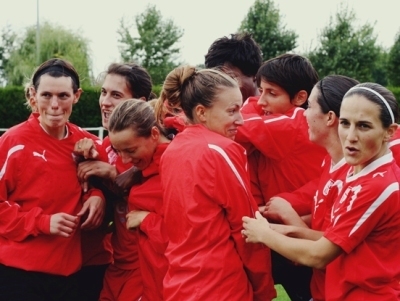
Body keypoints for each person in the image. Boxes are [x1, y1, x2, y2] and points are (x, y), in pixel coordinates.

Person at [243, 82, 400, 301]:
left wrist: (265, 234)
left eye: (364, 126)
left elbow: (319, 256)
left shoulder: (376, 185)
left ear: (389, 132)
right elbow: (334, 237)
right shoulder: (360, 173)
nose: (350, 136)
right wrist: (276, 228)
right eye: (345, 123)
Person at [160, 65, 276, 301]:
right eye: (232, 111)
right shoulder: (221, 149)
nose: (241, 120)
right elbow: (247, 229)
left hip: (179, 283)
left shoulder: (172, 151)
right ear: (202, 112)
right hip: (220, 286)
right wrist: (263, 288)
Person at [0, 58, 105, 300]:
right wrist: (42, 223)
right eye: (46, 95)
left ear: (76, 96)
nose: (55, 105)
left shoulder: (88, 144)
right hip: (17, 275)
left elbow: (111, 183)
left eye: (63, 96)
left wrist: (97, 195)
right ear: (33, 95)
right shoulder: (12, 143)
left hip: (70, 277)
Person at [235, 53, 326, 301]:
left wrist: (181, 121)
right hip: (284, 223)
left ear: (300, 98)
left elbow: (236, 124)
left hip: (301, 227)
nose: (261, 100)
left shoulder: (294, 122)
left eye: (272, 93)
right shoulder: (275, 120)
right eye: (261, 89)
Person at [261, 75, 359, 301]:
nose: (303, 113)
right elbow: (324, 223)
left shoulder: (356, 176)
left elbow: (330, 251)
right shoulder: (330, 162)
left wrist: (277, 224)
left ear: (330, 118)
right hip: (323, 290)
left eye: (310, 107)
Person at [74, 62, 153, 301]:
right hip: (116, 266)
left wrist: (112, 173)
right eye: (103, 92)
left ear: (139, 102)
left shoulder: (157, 148)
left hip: (148, 269)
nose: (105, 102)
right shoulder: (104, 146)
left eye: (115, 95)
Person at [107, 99, 169, 301]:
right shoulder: (144, 169)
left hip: (171, 287)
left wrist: (147, 220)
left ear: (153, 134)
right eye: (118, 151)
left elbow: (191, 239)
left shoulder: (175, 171)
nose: (123, 159)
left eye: (130, 150)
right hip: (144, 281)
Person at [204, 32, 262, 102]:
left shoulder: (273, 110)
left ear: (254, 74)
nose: (223, 87)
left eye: (231, 78)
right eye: (217, 81)